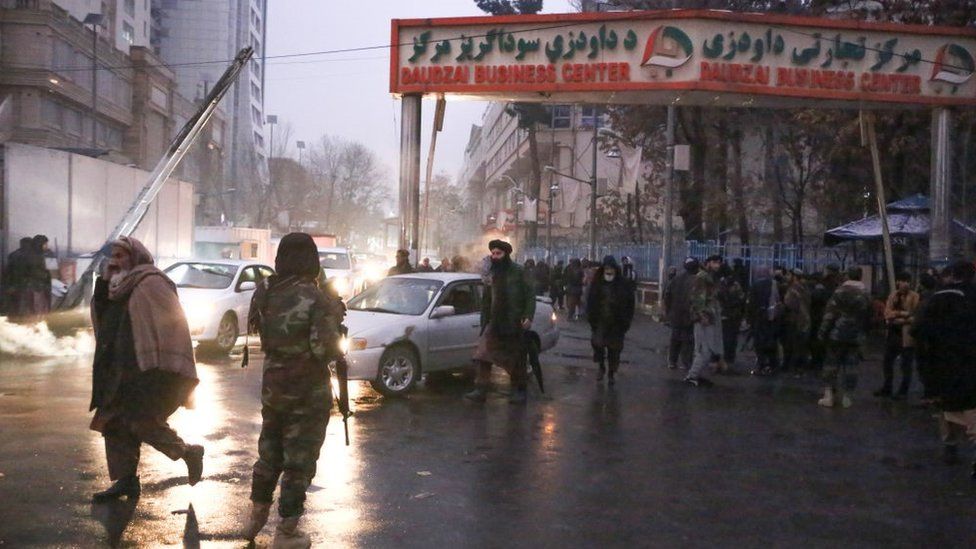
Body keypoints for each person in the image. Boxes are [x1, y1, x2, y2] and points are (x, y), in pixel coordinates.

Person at [245, 233, 346, 545]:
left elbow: (258, 330)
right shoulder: (317, 298)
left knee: (269, 452)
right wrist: (335, 317)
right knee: (298, 461)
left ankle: (257, 514)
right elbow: (324, 350)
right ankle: (287, 532)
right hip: (306, 391)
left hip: (273, 385)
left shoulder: (265, 289)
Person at [89, 237, 204, 503]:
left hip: (147, 367)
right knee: (114, 424)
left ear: (136, 256)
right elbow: (104, 318)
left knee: (142, 423)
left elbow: (172, 327)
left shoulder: (152, 282)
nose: (115, 261)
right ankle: (126, 480)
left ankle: (187, 452)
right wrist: (103, 283)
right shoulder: (115, 286)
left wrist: (161, 366)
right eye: (113, 256)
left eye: (121, 255)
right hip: (118, 366)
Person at [912, 261, 976, 475]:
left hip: (942, 364)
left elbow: (918, 330)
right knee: (971, 407)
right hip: (969, 361)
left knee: (947, 407)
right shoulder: (970, 298)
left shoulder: (935, 299)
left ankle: (950, 444)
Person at [465, 240, 536, 404]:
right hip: (494, 322)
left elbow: (529, 295)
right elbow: (486, 299)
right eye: (493, 254)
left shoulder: (518, 272)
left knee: (516, 359)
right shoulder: (491, 274)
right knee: (483, 356)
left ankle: (519, 390)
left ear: (506, 255)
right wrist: (484, 321)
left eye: (499, 254)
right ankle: (481, 389)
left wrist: (528, 316)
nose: (495, 257)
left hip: (513, 321)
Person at [817, 267, 872, 408]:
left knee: (831, 365)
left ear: (847, 276)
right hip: (855, 336)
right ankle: (847, 397)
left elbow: (830, 315)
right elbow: (868, 318)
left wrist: (822, 332)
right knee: (851, 366)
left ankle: (829, 396)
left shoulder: (840, 291)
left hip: (837, 334)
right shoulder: (866, 294)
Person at [587, 256, 636, 386]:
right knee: (598, 345)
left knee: (614, 350)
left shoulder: (623, 284)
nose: (609, 272)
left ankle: (611, 373)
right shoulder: (597, 283)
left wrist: (626, 321)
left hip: (617, 324)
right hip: (600, 322)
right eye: (607, 269)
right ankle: (601, 366)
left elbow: (630, 304)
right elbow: (590, 302)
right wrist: (591, 319)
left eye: (611, 269)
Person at [875, 272, 919, 400]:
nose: (905, 284)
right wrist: (901, 314)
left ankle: (903, 391)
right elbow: (887, 313)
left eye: (907, 281)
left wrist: (899, 317)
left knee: (906, 364)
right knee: (887, 361)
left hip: (906, 335)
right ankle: (887, 387)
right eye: (903, 281)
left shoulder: (915, 296)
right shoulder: (893, 295)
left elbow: (914, 315)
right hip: (893, 333)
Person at [686, 255, 724, 386]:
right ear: (708, 263)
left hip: (709, 316)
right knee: (703, 349)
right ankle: (692, 376)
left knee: (706, 348)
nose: (717, 265)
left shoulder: (710, 277)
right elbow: (697, 299)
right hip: (704, 318)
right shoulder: (703, 277)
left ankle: (695, 375)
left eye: (718, 263)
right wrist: (702, 315)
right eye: (714, 262)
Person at [747, 267, 784, 376]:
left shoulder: (755, 285)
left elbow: (751, 304)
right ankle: (773, 365)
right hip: (773, 318)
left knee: (759, 342)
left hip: (759, 318)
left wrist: (750, 319)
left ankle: (762, 365)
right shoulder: (775, 284)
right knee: (772, 341)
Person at [663, 257, 698, 371]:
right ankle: (686, 363)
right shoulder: (696, 280)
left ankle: (672, 361)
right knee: (688, 340)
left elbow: (667, 295)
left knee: (675, 338)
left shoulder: (676, 279)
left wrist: (668, 311)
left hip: (675, 314)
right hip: (688, 314)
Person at [782, 268, 811, 374]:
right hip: (804, 320)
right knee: (800, 345)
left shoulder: (793, 288)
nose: (786, 277)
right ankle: (799, 367)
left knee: (791, 345)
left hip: (794, 320)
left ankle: (791, 367)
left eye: (789, 275)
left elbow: (789, 304)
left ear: (794, 277)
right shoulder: (805, 287)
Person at [717, 263, 746, 370]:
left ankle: (723, 359)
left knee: (724, 338)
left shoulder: (720, 284)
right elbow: (741, 298)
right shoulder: (735, 284)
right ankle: (729, 358)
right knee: (732, 338)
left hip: (724, 315)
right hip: (734, 315)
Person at [1, 237, 33, 317]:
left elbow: (7, 271)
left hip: (13, 285)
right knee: (24, 305)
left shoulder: (12, 254)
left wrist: (7, 285)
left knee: (14, 304)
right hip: (25, 285)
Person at [27, 234, 53, 316]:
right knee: (38, 307)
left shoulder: (38, 255)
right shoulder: (35, 256)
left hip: (38, 286)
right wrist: (46, 274)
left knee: (40, 307)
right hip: (37, 286)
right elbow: (34, 271)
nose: (46, 246)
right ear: (40, 244)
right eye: (45, 244)